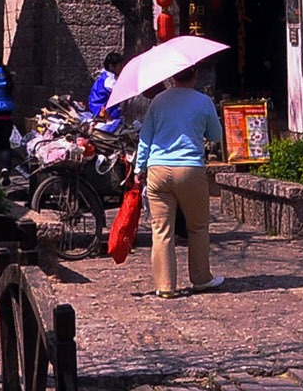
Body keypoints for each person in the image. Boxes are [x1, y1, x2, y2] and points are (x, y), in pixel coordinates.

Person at [133, 64, 225, 297]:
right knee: (198, 226)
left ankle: (165, 286)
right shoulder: (203, 101)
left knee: (161, 230)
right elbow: (215, 135)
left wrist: (139, 167)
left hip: (158, 169)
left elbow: (146, 138)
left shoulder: (158, 101)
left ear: (173, 76)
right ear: (194, 75)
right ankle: (201, 278)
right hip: (189, 168)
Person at [87, 50, 127, 131]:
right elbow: (120, 92)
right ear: (111, 67)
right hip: (100, 111)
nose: (122, 68)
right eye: (119, 66)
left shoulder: (106, 76)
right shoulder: (108, 80)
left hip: (97, 108)